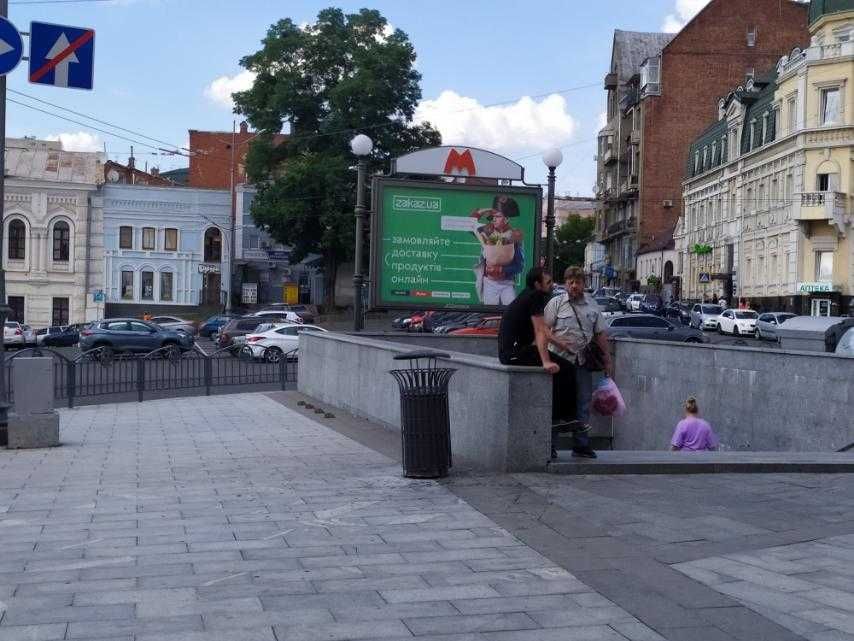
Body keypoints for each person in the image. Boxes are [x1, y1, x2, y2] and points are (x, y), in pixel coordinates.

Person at [543, 266, 613, 460]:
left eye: (578, 282)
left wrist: (607, 360)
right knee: (557, 405)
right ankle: (549, 445)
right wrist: (559, 343)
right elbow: (544, 331)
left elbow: (600, 335)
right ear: (566, 283)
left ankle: (581, 445)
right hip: (559, 362)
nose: (574, 286)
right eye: (571, 282)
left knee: (583, 404)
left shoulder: (592, 306)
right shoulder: (556, 303)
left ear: (584, 284)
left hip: (582, 362)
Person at [497, 267, 559, 374]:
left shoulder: (526, 295)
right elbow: (541, 331)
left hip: (509, 354)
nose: (552, 285)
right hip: (514, 355)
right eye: (548, 282)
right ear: (537, 284)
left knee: (558, 362)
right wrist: (546, 361)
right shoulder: (536, 296)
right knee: (566, 367)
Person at [472, 195, 524, 305]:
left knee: (510, 311)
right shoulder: (486, 231)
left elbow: (519, 266)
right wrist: (482, 211)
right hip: (489, 283)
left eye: (498, 216)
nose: (494, 219)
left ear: (506, 219)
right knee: (490, 314)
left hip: (507, 283)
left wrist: (502, 269)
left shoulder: (514, 236)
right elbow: (469, 224)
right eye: (493, 216)